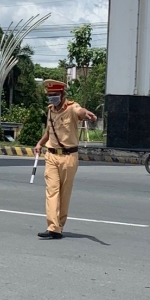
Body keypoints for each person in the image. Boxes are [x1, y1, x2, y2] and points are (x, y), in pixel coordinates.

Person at [33, 79, 97, 239]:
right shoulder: (50, 110)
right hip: (51, 155)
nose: (51, 98)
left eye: (54, 95)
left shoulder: (71, 108)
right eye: (49, 95)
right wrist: (40, 143)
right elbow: (49, 131)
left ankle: (59, 226)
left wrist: (86, 113)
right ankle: (53, 227)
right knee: (52, 190)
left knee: (64, 194)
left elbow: (80, 111)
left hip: (69, 157)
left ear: (62, 94)